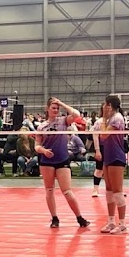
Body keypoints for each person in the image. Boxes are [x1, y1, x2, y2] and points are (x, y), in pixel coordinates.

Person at [35, 98, 89, 229]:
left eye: (57, 108)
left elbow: (77, 115)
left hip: (62, 159)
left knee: (67, 191)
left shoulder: (63, 121)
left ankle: (79, 217)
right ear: (47, 109)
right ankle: (54, 218)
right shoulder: (41, 127)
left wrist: (62, 103)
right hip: (47, 161)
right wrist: (43, 151)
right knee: (49, 190)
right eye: (53, 108)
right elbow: (36, 146)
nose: (56, 110)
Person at [99, 95, 128, 234]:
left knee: (117, 191)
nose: (103, 106)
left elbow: (103, 135)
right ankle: (111, 222)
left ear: (109, 106)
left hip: (116, 156)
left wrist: (104, 119)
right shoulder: (110, 119)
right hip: (108, 155)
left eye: (105, 104)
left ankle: (122, 224)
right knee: (109, 190)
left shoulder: (117, 118)